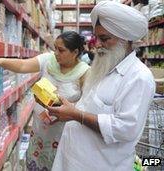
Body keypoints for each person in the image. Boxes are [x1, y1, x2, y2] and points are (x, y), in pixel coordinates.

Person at [48, 1, 156, 170]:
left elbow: (125, 129)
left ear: (125, 39)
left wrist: (77, 115)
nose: (97, 44)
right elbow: (91, 106)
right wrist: (70, 110)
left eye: (104, 39)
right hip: (72, 160)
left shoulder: (139, 77)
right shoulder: (103, 67)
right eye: (96, 37)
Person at [0, 31, 90, 170]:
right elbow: (22, 66)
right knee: (38, 163)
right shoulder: (48, 60)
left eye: (61, 50)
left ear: (75, 52)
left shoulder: (85, 72)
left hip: (63, 133)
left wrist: (69, 110)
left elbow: (87, 106)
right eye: (55, 48)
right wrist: (1, 61)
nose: (56, 53)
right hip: (40, 131)